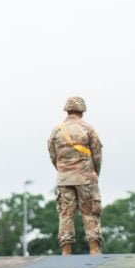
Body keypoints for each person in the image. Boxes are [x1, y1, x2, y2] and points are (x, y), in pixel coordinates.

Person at [48, 96, 104, 255]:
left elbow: (53, 155)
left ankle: (66, 250)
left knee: (66, 214)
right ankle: (94, 248)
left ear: (67, 110)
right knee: (90, 212)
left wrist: (63, 171)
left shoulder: (56, 130)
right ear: (82, 111)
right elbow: (97, 154)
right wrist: (95, 172)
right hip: (85, 177)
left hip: (64, 179)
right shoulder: (88, 129)